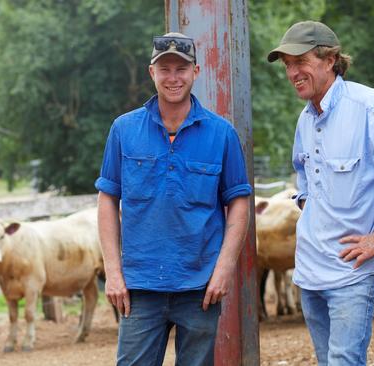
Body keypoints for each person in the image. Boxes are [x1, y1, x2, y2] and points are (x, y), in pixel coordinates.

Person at [267, 21, 374, 365]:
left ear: (330, 60)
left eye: (301, 61)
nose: (293, 72)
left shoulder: (369, 107)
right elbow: (304, 177)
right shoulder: (305, 119)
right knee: (328, 360)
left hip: (353, 271)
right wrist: (309, 207)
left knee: (344, 360)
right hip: (310, 269)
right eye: (287, 65)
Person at [95, 32, 252, 365]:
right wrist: (113, 272)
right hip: (140, 287)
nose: (173, 77)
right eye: (164, 69)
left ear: (196, 72)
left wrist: (224, 269)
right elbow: (107, 199)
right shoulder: (124, 130)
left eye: (181, 68)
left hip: (200, 286)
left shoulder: (221, 133)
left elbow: (238, 203)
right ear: (151, 73)